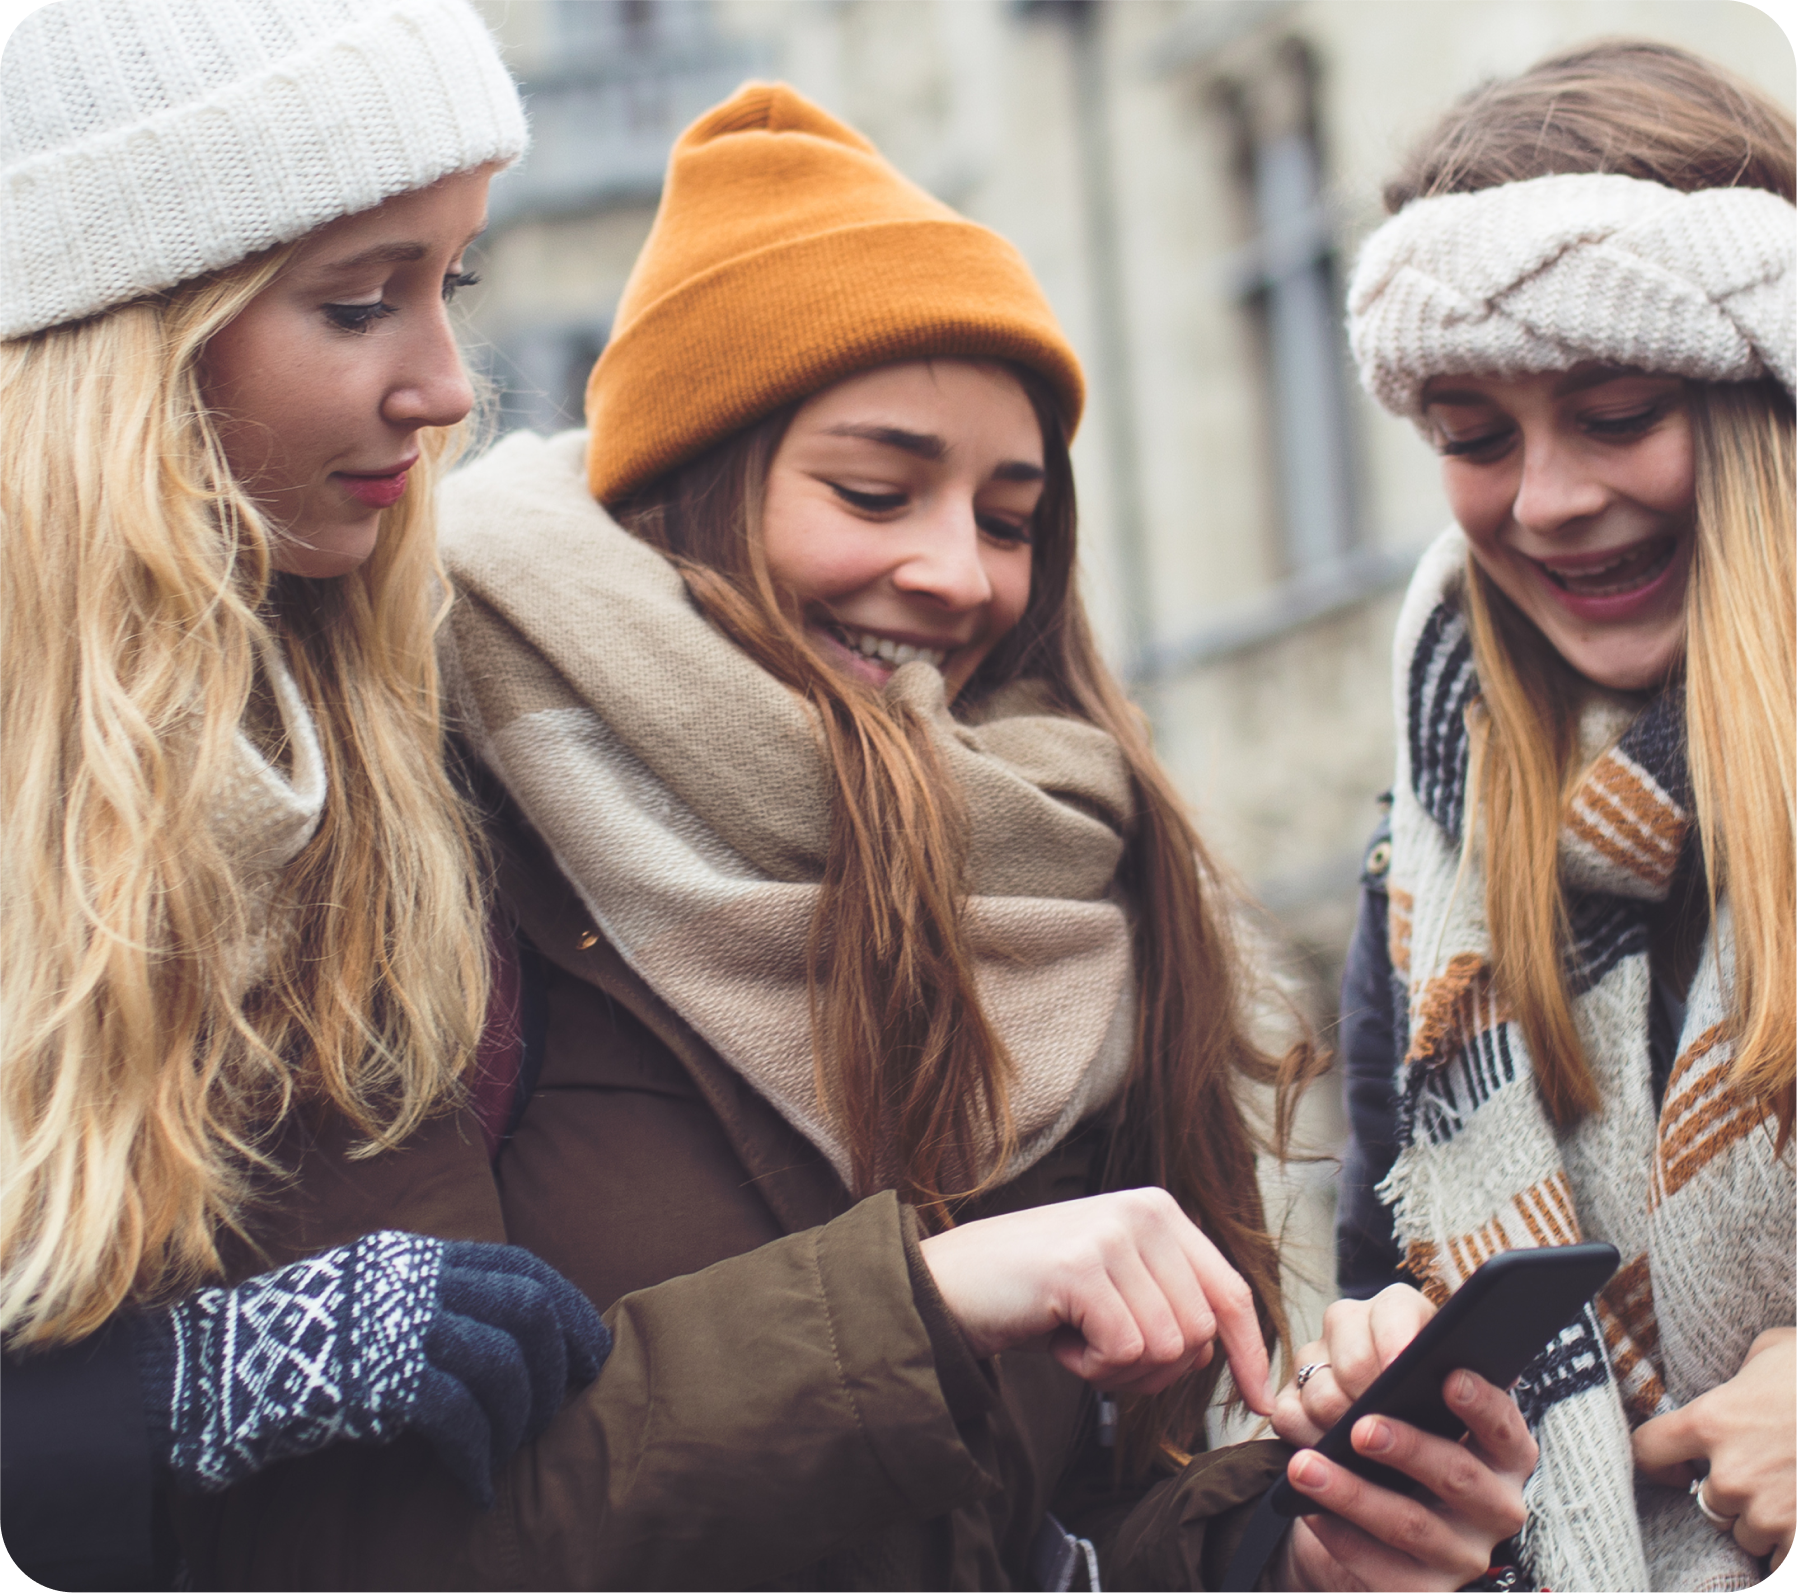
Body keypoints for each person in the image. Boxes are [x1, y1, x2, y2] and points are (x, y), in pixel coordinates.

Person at [419, 81, 1521, 1593]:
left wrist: (1295, 1549)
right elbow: (386, 1528)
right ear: (691, 486)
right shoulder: (426, 821)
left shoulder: (1077, 880)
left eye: (1010, 520)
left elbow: (1071, 1521)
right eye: (875, 490)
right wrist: (917, 1309)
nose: (956, 575)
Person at [0, 4, 610, 1588]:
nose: (447, 385)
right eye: (358, 302)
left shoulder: (383, 724)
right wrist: (167, 1390)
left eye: (452, 284)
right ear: (118, 338)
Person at [1317, 39, 1797, 1593]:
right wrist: (1382, 1407)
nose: (1545, 502)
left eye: (1616, 410)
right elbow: (1381, 1264)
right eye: (1473, 436)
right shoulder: (1437, 831)